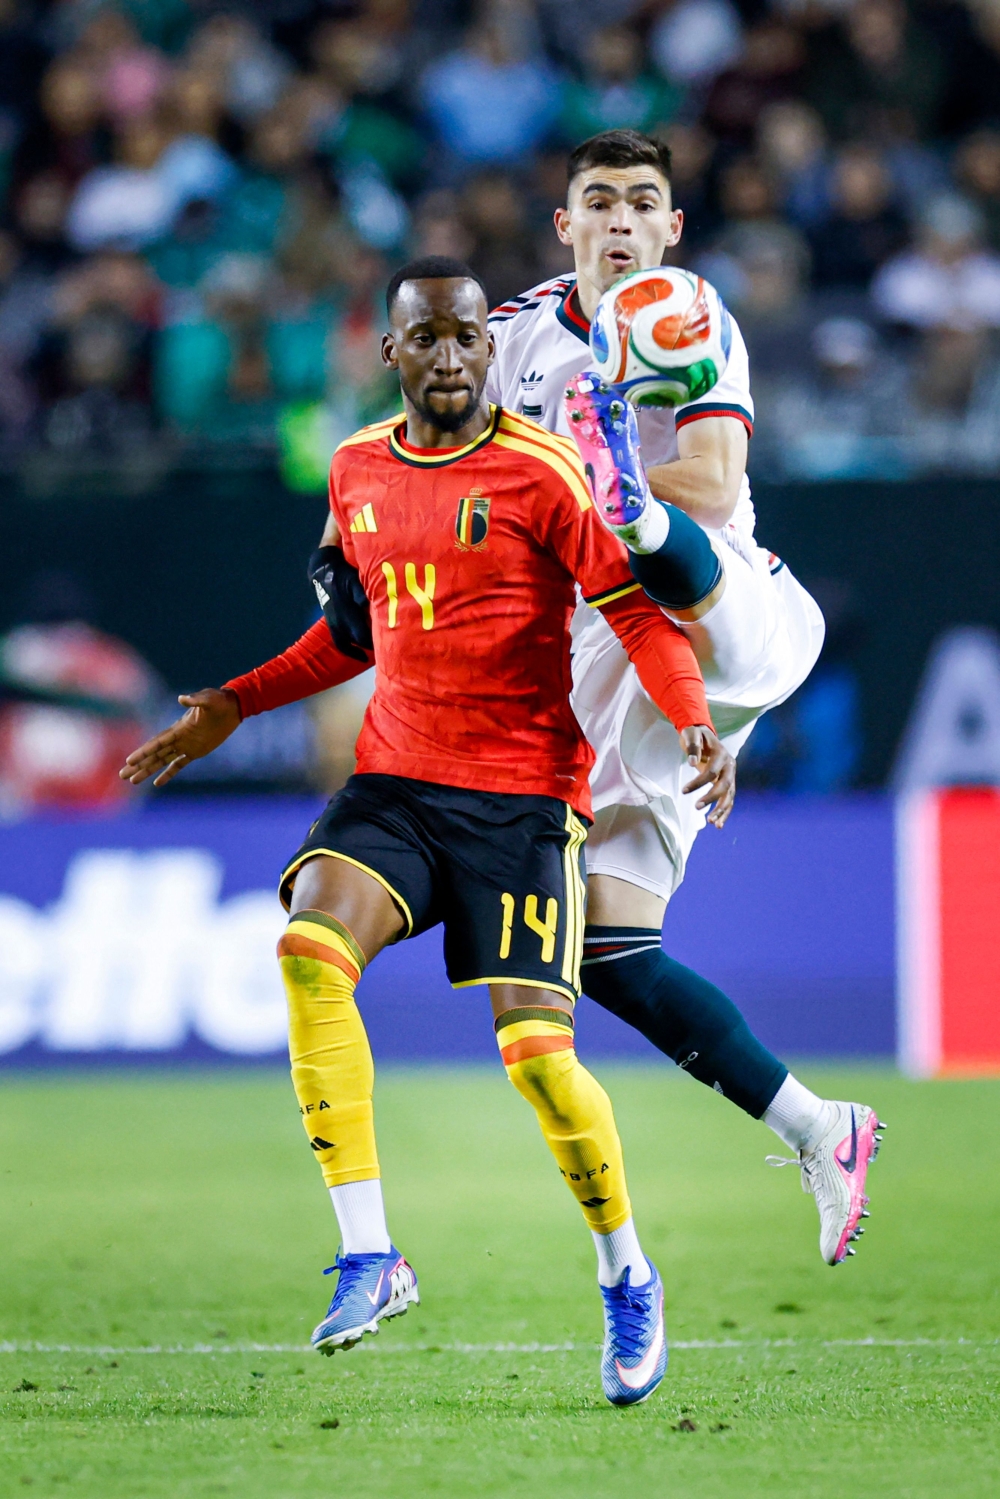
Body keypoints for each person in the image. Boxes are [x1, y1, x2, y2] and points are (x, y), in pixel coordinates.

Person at [120, 257, 738, 1408]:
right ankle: (371, 1253)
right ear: (393, 353)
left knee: (541, 1066)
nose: (452, 358)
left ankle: (626, 1268)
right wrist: (235, 701)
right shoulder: (355, 467)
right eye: (429, 340)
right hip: (398, 781)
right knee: (307, 950)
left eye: (468, 338)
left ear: (487, 352)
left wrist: (695, 719)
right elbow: (353, 637)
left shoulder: (547, 471)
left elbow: (637, 617)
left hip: (521, 800)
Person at [484, 128, 883, 1266]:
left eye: (641, 202)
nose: (619, 220)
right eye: (597, 201)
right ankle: (819, 1125)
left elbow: (711, 481)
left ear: (670, 228)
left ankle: (626, 515)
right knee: (609, 951)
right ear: (564, 227)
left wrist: (590, 485)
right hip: (612, 671)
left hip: (727, 611)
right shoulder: (512, 339)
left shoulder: (690, 317)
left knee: (652, 530)